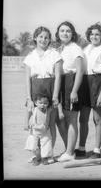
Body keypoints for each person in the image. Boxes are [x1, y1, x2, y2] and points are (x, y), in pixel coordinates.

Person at [23, 26, 66, 164]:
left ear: (49, 40)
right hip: (35, 91)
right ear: (35, 38)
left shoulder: (55, 54)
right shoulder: (30, 57)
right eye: (40, 36)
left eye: (46, 37)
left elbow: (58, 77)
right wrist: (29, 98)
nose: (43, 39)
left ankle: (48, 154)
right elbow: (27, 80)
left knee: (50, 124)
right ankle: (37, 154)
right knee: (36, 125)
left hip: (50, 89)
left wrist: (54, 97)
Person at [55, 21, 85, 162]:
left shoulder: (75, 48)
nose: (65, 33)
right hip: (61, 82)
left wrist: (74, 91)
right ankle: (69, 149)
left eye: (68, 31)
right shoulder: (61, 49)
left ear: (72, 34)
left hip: (72, 82)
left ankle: (69, 152)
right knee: (60, 119)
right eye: (62, 31)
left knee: (71, 119)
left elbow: (80, 70)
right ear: (58, 33)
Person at [81, 23, 101, 159]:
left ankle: (97, 150)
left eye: (97, 34)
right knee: (83, 118)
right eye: (92, 34)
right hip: (85, 82)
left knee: (97, 119)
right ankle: (81, 148)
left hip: (97, 82)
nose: (94, 36)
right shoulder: (85, 49)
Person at [24, 93, 54, 166]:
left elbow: (55, 104)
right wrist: (26, 123)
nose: (42, 105)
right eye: (40, 103)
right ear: (36, 103)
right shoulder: (34, 109)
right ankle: (34, 157)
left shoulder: (49, 110)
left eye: (45, 103)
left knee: (46, 144)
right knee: (32, 144)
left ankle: (44, 158)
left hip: (45, 131)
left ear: (48, 104)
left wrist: (60, 112)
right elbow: (28, 112)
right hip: (34, 131)